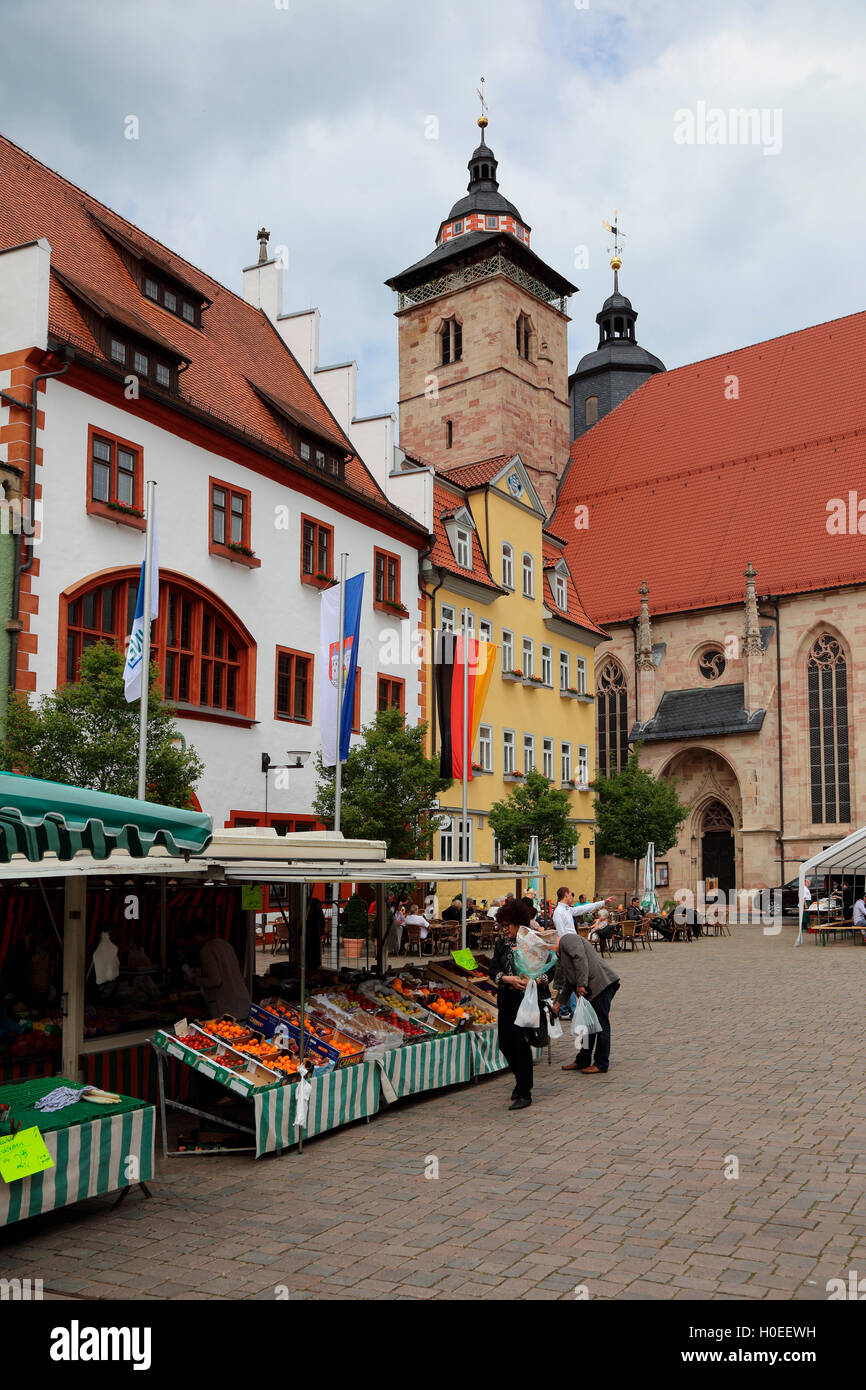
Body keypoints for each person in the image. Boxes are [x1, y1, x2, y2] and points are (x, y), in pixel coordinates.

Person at [488, 900, 550, 1111]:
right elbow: (493, 969)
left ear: (519, 923)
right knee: (505, 1044)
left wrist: (537, 980)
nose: (504, 930)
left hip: (528, 1000)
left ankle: (525, 1091)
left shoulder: (533, 941)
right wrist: (507, 979)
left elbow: (550, 968)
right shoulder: (501, 944)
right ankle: (519, 1079)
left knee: (521, 1045)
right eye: (502, 925)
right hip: (507, 1000)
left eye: (508, 925)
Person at [553, 931, 621, 1075]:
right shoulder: (562, 955)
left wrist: (581, 984)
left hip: (601, 985)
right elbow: (568, 981)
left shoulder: (567, 939)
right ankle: (582, 1060)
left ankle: (601, 1063)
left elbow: (580, 958)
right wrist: (558, 1004)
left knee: (601, 1025)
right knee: (587, 1025)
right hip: (591, 990)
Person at [187, 919, 251, 1020]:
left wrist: (196, 980)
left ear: (197, 936)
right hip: (241, 1000)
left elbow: (215, 980)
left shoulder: (207, 950)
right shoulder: (225, 944)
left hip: (227, 1006)